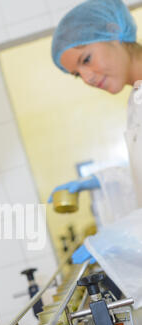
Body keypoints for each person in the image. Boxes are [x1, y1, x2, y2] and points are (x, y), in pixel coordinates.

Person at [48, 0, 142, 304]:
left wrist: (110, 241)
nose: (87, 78)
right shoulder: (136, 100)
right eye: (77, 73)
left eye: (86, 59)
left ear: (115, 30)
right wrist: (101, 182)